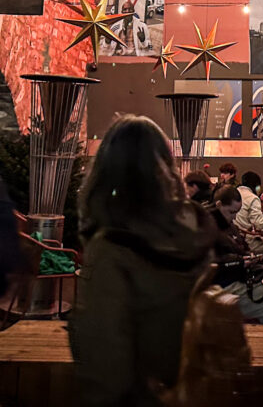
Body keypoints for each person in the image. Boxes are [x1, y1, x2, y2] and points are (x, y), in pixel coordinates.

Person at [63, 115, 214, 404]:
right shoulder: (194, 230)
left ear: (105, 171)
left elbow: (107, 369)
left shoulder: (111, 249)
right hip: (198, 391)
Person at [211, 186, 263, 326]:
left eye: (236, 213)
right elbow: (208, 263)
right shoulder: (207, 227)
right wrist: (239, 262)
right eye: (232, 212)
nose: (234, 217)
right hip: (225, 284)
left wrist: (248, 256)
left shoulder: (224, 225)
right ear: (219, 205)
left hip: (236, 280)